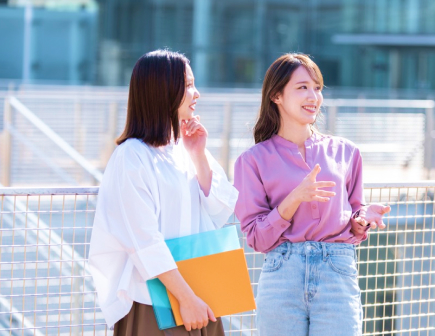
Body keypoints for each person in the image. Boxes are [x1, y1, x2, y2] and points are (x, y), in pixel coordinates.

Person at [233, 53, 391, 336]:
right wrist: (294, 199)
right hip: (282, 276)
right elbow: (256, 238)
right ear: (276, 96)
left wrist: (362, 218)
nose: (313, 96)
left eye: (317, 88)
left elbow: (353, 220)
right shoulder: (252, 160)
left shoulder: (347, 152)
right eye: (302, 87)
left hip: (337, 273)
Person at [88, 50, 238, 335]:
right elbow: (143, 240)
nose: (197, 94)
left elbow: (220, 207)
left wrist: (199, 155)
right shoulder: (132, 155)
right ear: (164, 90)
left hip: (200, 290)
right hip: (157, 300)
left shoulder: (184, 148)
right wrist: (185, 298)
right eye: (189, 85)